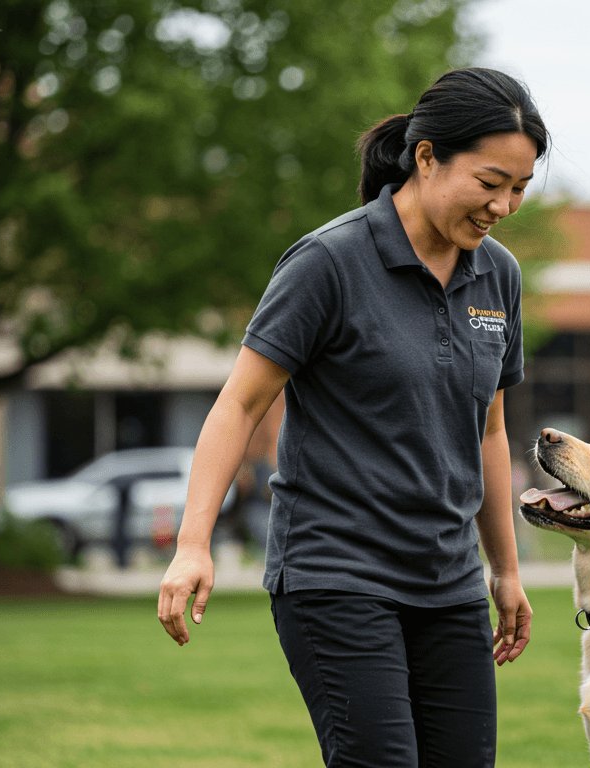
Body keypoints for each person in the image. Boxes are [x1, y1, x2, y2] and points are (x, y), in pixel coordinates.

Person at [157, 67, 548, 768]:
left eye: (518, 188)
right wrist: (193, 542)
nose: (505, 206)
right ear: (427, 157)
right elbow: (240, 404)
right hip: (337, 574)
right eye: (490, 183)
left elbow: (488, 429)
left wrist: (505, 569)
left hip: (448, 583)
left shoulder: (499, 276)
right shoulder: (328, 263)